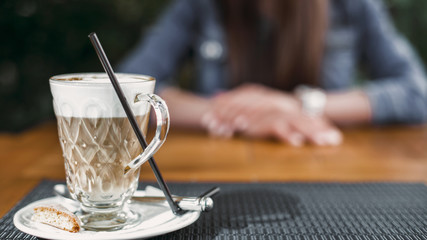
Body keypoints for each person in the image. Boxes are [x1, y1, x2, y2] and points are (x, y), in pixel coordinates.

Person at [118, 0, 427, 146]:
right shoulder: (202, 6)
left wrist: (297, 105)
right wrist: (236, 115)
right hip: (223, 170)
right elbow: (122, 92)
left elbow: (417, 94)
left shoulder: (353, 6)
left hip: (330, 166)